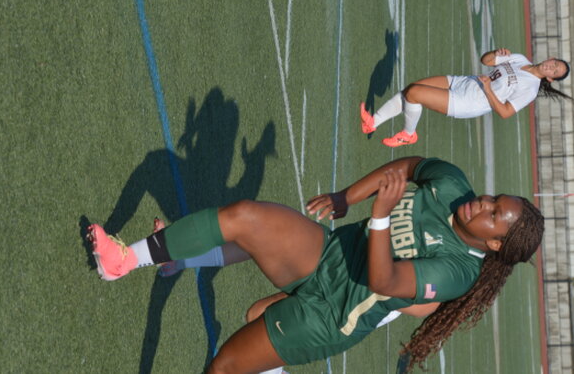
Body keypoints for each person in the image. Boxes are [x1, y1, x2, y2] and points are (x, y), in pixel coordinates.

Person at [87, 157, 544, 373]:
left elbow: (383, 279)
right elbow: (410, 166)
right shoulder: (454, 185)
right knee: (245, 218)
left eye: (492, 214)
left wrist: (380, 216)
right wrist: (348, 196)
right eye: (493, 198)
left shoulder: (460, 272)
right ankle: (124, 260)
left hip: (332, 314)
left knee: (223, 366)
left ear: (495, 243)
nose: (482, 203)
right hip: (327, 253)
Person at [361, 48, 571, 147]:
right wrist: (496, 52)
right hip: (465, 82)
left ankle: (408, 134)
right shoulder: (520, 59)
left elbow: (506, 112)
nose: (551, 67)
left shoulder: (530, 89)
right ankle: (373, 122)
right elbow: (486, 60)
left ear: (550, 79)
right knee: (411, 89)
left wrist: (488, 90)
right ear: (551, 58)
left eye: (555, 71)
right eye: (554, 64)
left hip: (469, 102)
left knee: (415, 94)